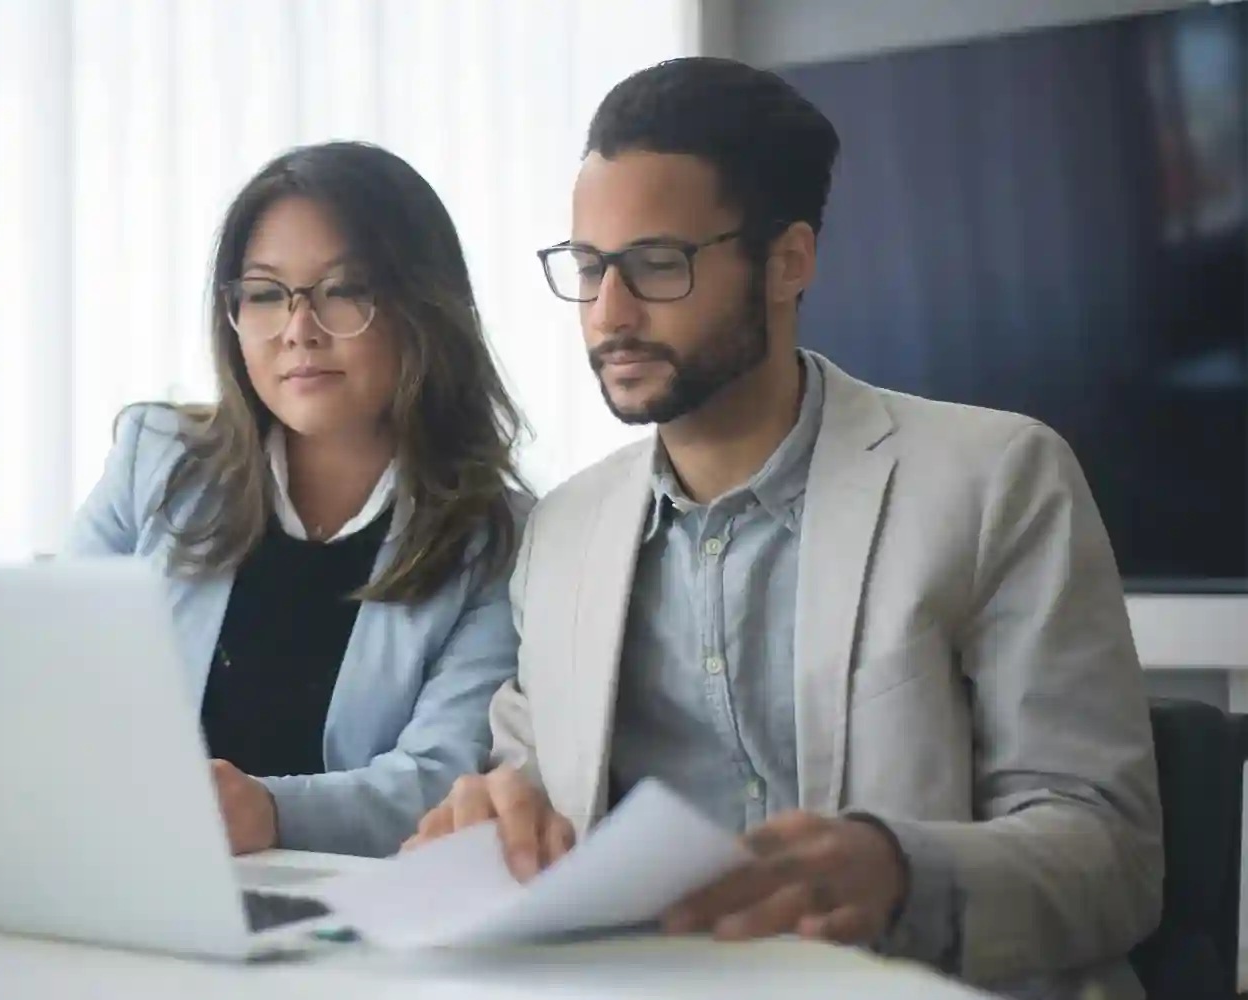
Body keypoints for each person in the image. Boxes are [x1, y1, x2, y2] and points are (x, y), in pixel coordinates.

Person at [406, 58, 1162, 998]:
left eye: (657, 264)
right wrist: (490, 825)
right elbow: (521, 798)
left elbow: (1113, 855)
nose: (610, 313)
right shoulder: (561, 535)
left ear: (788, 260)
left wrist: (897, 874)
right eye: (590, 267)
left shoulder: (997, 479)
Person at [68, 141, 528, 859]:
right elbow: (53, 681)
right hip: (128, 873)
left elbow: (443, 781)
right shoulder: (153, 461)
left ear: (423, 306)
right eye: (264, 293)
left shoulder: (496, 539)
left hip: (346, 920)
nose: (298, 329)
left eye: (343, 290)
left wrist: (271, 812)